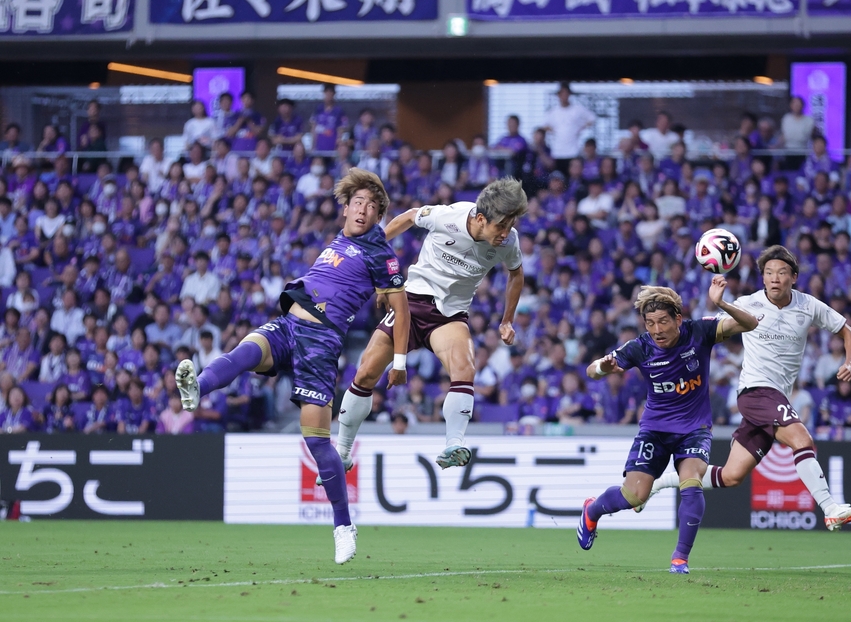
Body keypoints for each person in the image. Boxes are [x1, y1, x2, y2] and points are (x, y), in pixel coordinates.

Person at [175, 168, 409, 565]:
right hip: (289, 324)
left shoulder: (380, 252)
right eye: (357, 202)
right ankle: (197, 385)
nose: (362, 210)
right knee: (245, 352)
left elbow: (400, 309)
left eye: (371, 206)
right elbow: (396, 223)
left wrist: (400, 360)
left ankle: (343, 527)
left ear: (377, 215)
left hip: (321, 342)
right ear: (346, 207)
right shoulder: (343, 239)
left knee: (317, 440)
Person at [648, 245, 851, 531]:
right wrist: (719, 305)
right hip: (755, 391)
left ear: (794, 277)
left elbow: (846, 330)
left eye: (781, 272)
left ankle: (662, 481)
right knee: (802, 440)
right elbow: (703, 333)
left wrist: (850, 362)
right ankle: (831, 508)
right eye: (768, 273)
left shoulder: (808, 305)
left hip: (777, 397)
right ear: (762, 278)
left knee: (731, 475)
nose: (774, 278)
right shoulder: (747, 304)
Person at [333, 178, 527, 474]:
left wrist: (507, 319)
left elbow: (516, 274)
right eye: (500, 227)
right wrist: (373, 251)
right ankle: (343, 452)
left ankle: (454, 444)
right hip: (411, 301)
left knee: (465, 369)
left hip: (449, 315)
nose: (505, 234)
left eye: (509, 226)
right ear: (479, 218)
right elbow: (409, 217)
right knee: (366, 370)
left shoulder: (508, 241)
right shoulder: (448, 216)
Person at [578, 283, 758, 573]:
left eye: (663, 321)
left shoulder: (699, 331)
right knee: (634, 495)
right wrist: (603, 368)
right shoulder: (640, 346)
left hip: (695, 427)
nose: (657, 329)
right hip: (655, 429)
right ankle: (592, 510)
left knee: (691, 481)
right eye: (650, 323)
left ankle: (680, 559)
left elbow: (750, 323)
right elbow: (591, 370)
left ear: (678, 318)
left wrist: (721, 302)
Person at [542, 82, 595, 176]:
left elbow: (592, 118)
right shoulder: (553, 112)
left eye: (566, 93)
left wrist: (580, 128)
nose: (564, 95)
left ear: (570, 94)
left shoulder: (577, 109)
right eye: (562, 93)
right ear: (558, 95)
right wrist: (555, 132)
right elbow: (544, 126)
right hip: (558, 153)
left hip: (573, 152)